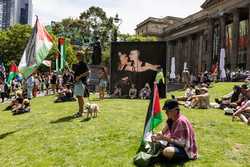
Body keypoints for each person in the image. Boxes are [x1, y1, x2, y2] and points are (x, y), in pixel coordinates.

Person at [72, 52, 89, 117]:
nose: (77, 56)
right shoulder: (78, 64)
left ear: (81, 56)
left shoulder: (83, 64)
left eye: (78, 55)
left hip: (81, 82)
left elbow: (88, 72)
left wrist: (79, 77)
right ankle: (80, 111)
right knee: (79, 97)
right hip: (77, 82)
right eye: (76, 55)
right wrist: (73, 73)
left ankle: (81, 112)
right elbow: (77, 73)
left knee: (80, 97)